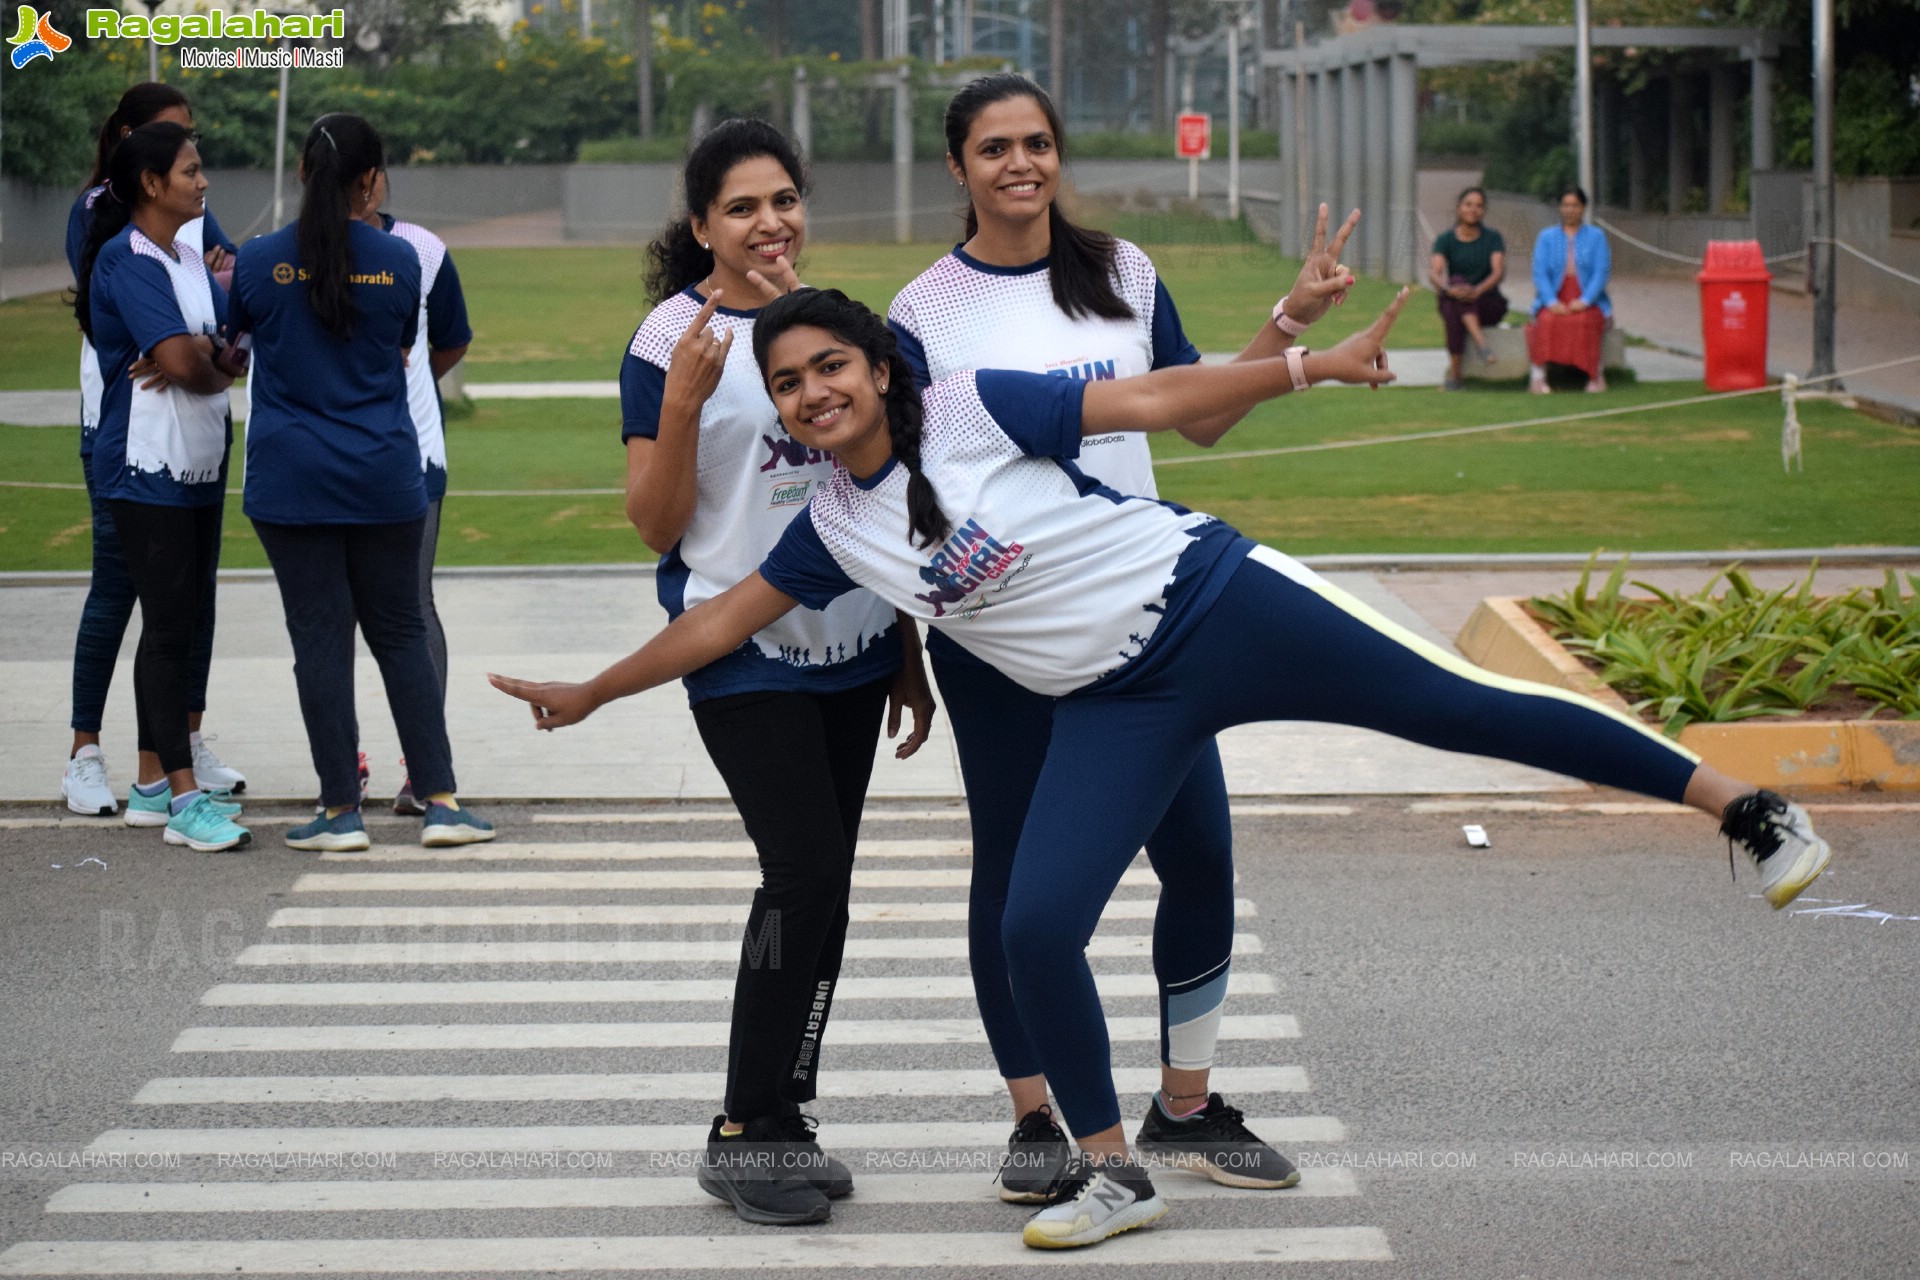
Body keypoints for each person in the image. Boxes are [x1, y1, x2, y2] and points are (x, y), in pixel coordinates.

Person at [489, 285, 1832, 1251]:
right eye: (789, 383)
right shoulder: (836, 527)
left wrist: (1301, 369)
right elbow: (719, 619)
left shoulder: (967, 406)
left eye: (831, 365)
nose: (813, 393)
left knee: (1464, 708)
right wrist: (594, 691)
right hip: (1117, 701)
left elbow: (1151, 398)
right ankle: (1114, 1170)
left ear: (880, 369)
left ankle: (1748, 810)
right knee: (1030, 923)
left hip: (1218, 600)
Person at [886, 72, 1355, 1203]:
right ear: (958, 168)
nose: (1020, 163)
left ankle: (1185, 1107)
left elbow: (1198, 412)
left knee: (1199, 858)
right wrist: (908, 651)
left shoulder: (1124, 273)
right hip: (996, 636)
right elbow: (903, 489)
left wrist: (1292, 322)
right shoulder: (920, 313)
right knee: (1012, 878)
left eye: (1038, 142)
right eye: (994, 146)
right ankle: (1037, 1115)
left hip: (1144, 625)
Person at [619, 118, 934, 1228]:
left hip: (849, 646)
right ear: (701, 224)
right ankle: (744, 1127)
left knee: (826, 885)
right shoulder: (671, 340)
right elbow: (654, 524)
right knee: (800, 874)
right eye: (742, 206)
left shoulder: (841, 329)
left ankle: (785, 1115)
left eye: (785, 200)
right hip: (738, 642)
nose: (770, 223)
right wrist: (682, 403)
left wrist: (906, 649)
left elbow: (889, 493)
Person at [228, 113, 493, 852]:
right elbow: (404, 350)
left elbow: (236, 344)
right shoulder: (400, 261)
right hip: (383, 470)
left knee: (319, 641)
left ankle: (340, 811)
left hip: (290, 477)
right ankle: (440, 800)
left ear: (302, 175)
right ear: (372, 181)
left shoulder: (257, 262)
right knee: (402, 631)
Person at [61, 82, 245, 818]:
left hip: (196, 459)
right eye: (190, 166)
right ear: (147, 175)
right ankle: (141, 775)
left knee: (184, 613)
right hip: (140, 458)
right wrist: (202, 357)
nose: (205, 183)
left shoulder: (186, 255)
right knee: (143, 609)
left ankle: (159, 769)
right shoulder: (123, 252)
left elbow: (228, 337)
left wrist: (209, 354)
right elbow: (179, 360)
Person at [355, 169, 473, 816]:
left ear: (378, 181)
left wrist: (406, 386)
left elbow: (451, 340)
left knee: (412, 601)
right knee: (333, 613)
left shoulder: (423, 249)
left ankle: (423, 770)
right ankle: (344, 766)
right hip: (331, 460)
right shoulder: (290, 253)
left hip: (414, 452)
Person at [1526, 185, 1611, 394]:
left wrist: (1585, 301)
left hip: (1588, 299)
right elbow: (1540, 273)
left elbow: (1601, 272)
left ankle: (1595, 375)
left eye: (1575, 205)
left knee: (1585, 321)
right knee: (1546, 320)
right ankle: (1538, 378)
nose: (1570, 210)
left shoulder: (1597, 236)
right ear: (1559, 208)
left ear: (1583, 208)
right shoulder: (1546, 237)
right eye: (1565, 205)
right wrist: (1552, 302)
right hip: (1555, 296)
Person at [1428, 185, 1508, 390]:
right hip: (1455, 297)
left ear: (1484, 211)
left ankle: (1455, 377)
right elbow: (1435, 273)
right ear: (1459, 208)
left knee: (1453, 305)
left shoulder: (1493, 238)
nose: (1473, 210)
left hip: (1488, 302)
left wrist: (1477, 291)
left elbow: (1498, 271)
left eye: (1479, 206)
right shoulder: (1445, 239)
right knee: (1454, 286)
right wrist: (1448, 289)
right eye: (1468, 204)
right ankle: (1482, 347)